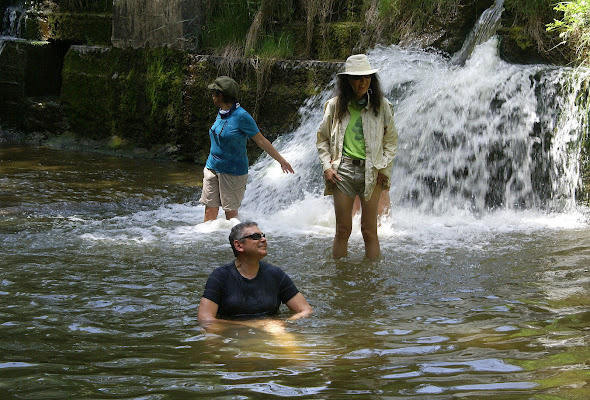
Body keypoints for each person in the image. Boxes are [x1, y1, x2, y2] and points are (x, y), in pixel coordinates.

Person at [316, 54, 398, 260]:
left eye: (366, 77)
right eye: (356, 78)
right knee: (342, 231)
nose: (362, 82)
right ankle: (341, 280)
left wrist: (383, 169)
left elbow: (391, 141)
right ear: (347, 81)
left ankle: (370, 283)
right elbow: (322, 139)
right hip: (342, 171)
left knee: (370, 232)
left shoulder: (382, 106)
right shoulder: (334, 106)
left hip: (372, 171)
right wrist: (327, 166)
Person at [200, 76, 294, 222]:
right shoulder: (222, 111)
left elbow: (261, 141)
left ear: (221, 96)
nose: (212, 96)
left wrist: (281, 161)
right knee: (209, 210)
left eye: (214, 93)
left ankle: (234, 243)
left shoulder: (242, 116)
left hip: (232, 172)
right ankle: (206, 242)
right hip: (212, 168)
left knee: (230, 216)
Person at [198, 221, 312, 332]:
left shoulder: (275, 274)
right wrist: (254, 325)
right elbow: (205, 319)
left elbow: (306, 310)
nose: (263, 239)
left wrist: (283, 323)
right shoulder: (220, 276)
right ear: (238, 245)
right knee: (211, 337)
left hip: (271, 331)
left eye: (263, 235)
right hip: (232, 334)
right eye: (256, 236)